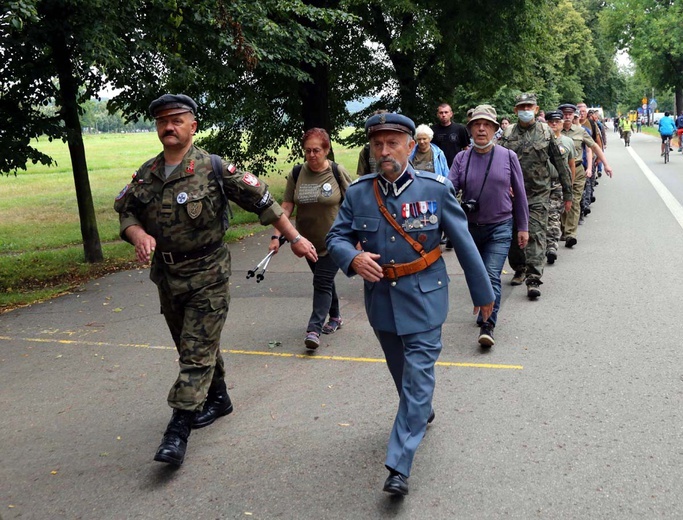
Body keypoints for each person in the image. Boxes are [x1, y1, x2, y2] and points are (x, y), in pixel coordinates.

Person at [114, 94, 318, 467]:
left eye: (176, 120)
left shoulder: (214, 167)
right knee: (191, 345)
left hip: (208, 274)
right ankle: (219, 398)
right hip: (167, 275)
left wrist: (295, 238)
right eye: (162, 121)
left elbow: (263, 202)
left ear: (193, 125)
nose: (169, 127)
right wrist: (137, 235)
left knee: (194, 353)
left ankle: (178, 429)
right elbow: (126, 213)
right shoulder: (146, 173)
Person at [326, 112, 494, 496]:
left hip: (425, 296)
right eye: (378, 145)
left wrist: (484, 295)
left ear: (408, 146)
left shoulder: (435, 189)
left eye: (392, 144)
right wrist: (351, 258)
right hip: (382, 301)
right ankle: (420, 410)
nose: (385, 152)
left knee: (418, 377)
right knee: (403, 375)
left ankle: (399, 465)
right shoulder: (358, 193)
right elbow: (336, 238)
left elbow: (465, 244)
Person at [448, 105, 528, 346]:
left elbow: (521, 194)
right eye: (476, 124)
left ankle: (488, 325)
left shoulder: (508, 156)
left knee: (492, 274)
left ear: (495, 129)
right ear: (470, 129)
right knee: (475, 274)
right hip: (470, 229)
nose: (481, 129)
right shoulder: (462, 158)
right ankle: (484, 303)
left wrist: (523, 226)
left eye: (487, 125)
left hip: (500, 227)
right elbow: (448, 189)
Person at [270, 128, 352, 350]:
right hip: (306, 242)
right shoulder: (297, 173)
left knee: (321, 281)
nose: (312, 155)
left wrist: (358, 236)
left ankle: (314, 330)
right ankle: (335, 316)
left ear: (326, 150)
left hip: (336, 239)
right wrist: (277, 235)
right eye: (308, 150)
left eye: (317, 150)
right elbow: (286, 206)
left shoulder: (336, 171)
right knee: (323, 279)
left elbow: (353, 202)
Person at [499, 93, 573, 300]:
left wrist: (568, 193)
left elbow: (560, 163)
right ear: (515, 111)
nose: (525, 110)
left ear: (536, 108)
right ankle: (519, 268)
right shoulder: (507, 134)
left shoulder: (546, 132)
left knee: (537, 235)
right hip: (512, 195)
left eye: (529, 106)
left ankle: (533, 278)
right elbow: (496, 163)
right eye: (521, 106)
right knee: (514, 237)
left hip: (538, 194)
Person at [559, 103, 614, 249]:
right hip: (559, 172)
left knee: (575, 201)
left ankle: (571, 233)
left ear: (574, 115)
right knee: (562, 200)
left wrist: (606, 164)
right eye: (565, 114)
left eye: (570, 114)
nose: (567, 116)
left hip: (577, 171)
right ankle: (564, 228)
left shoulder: (581, 131)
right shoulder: (553, 132)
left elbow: (594, 147)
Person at [544, 110, 576, 264]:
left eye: (557, 121)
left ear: (562, 124)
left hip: (558, 183)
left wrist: (569, 186)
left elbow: (571, 165)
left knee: (554, 214)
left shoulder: (568, 142)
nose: (554, 124)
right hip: (540, 183)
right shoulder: (541, 140)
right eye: (551, 122)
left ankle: (551, 246)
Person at [430, 103, 470, 168]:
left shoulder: (460, 129)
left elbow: (466, 149)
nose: (443, 115)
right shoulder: (432, 130)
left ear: (451, 114)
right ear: (437, 115)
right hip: (438, 167)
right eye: (441, 113)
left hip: (456, 166)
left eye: (446, 112)